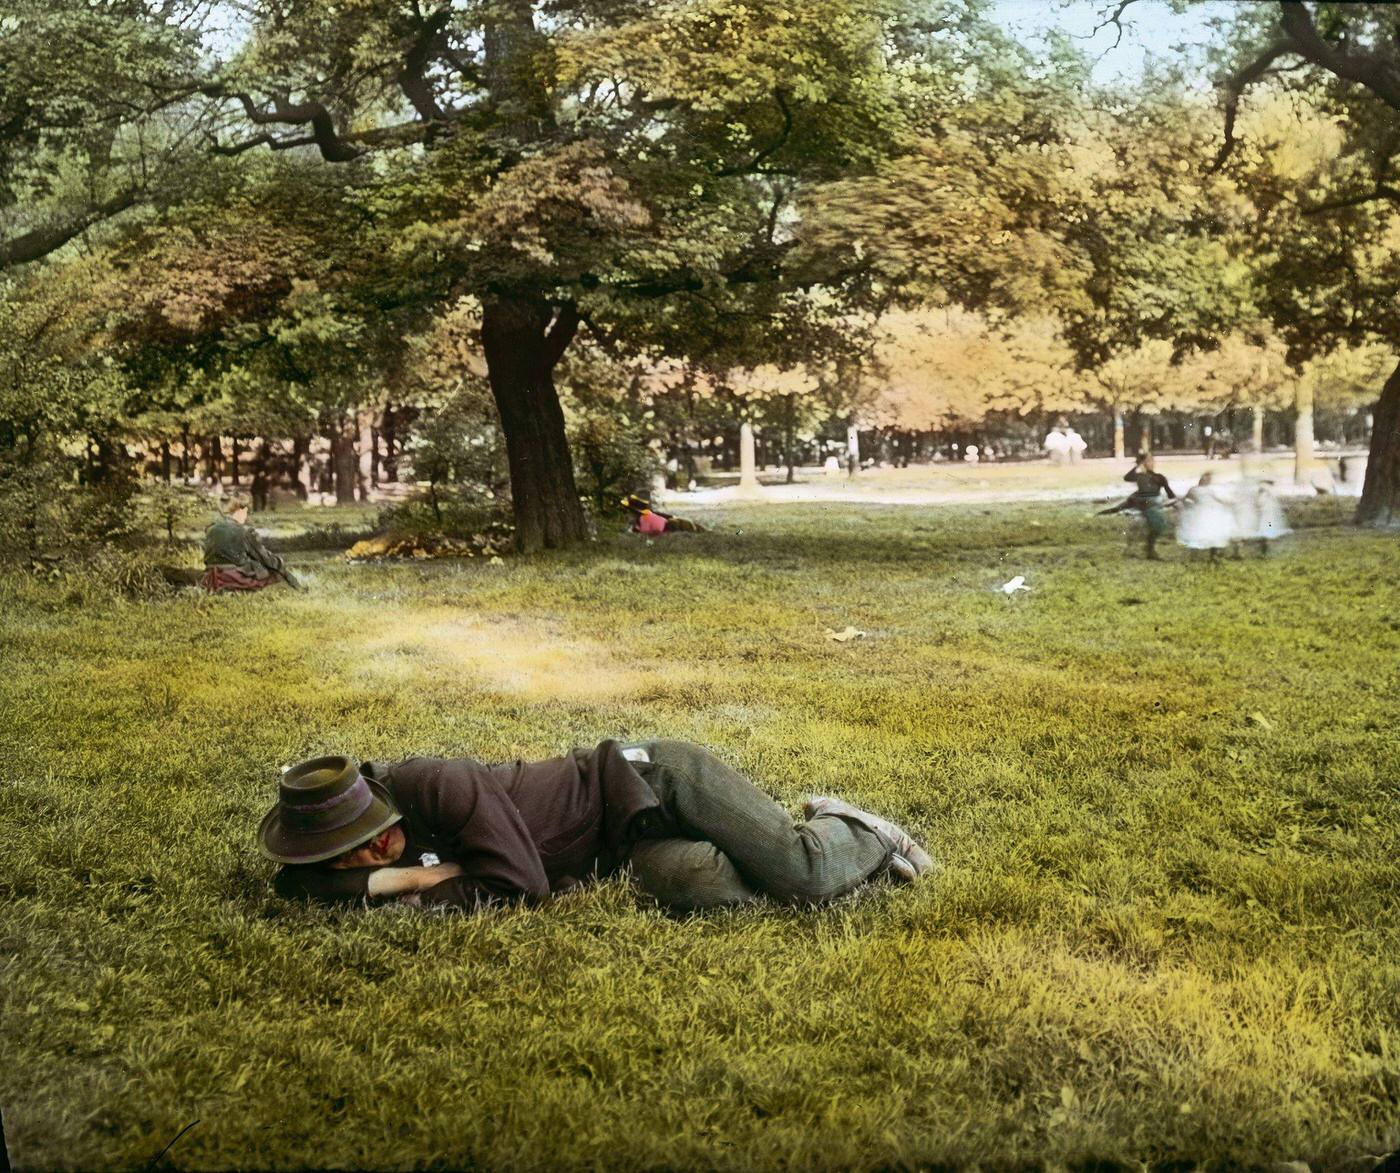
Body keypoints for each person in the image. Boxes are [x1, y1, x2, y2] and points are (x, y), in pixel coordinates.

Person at [259, 740, 935, 913]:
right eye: (355, 853)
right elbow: (294, 887)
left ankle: (854, 829)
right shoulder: (360, 861)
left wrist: (443, 880)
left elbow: (520, 884)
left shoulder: (438, 781)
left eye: (376, 832)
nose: (378, 847)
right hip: (620, 849)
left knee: (801, 875)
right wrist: (401, 879)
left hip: (652, 780)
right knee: (707, 887)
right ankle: (844, 863)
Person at [201, 495, 299, 592]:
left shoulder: (211, 529)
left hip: (211, 577)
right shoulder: (245, 531)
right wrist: (280, 564)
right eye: (246, 512)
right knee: (275, 574)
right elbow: (264, 557)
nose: (246, 517)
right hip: (234, 577)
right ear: (240, 511)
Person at [1097, 452, 1176, 560]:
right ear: (1143, 463)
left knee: (1158, 526)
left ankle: (1149, 550)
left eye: (1152, 460)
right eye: (1148, 461)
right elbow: (1127, 477)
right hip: (1140, 501)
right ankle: (1100, 515)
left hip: (1150, 502)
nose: (1151, 463)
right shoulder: (1140, 476)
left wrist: (1171, 501)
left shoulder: (1159, 477)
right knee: (1118, 509)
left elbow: (1171, 494)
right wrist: (1138, 465)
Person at [1175, 472, 1236, 565]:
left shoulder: (1209, 490)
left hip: (1210, 511)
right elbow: (1185, 499)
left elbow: (1216, 499)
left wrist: (1226, 503)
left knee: (1212, 533)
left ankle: (1213, 555)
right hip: (1199, 511)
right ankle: (1195, 556)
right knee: (1197, 533)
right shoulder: (1194, 489)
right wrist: (1186, 506)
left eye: (1208, 479)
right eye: (1204, 478)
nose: (1206, 480)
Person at [1230, 479, 1290, 557]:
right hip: (1265, 518)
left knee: (1266, 533)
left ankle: (1264, 553)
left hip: (1267, 519)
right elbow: (1259, 504)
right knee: (1264, 534)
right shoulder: (1266, 495)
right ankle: (1262, 552)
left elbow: (1261, 504)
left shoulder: (1266, 495)